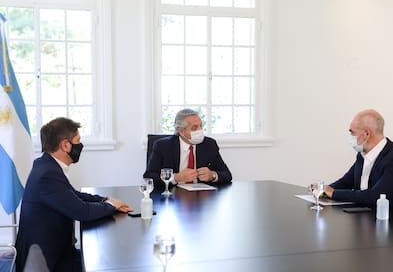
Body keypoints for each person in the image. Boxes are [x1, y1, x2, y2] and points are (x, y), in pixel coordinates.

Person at [15, 117, 133, 272]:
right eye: (77, 140)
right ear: (65, 145)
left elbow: (73, 194)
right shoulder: (47, 174)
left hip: (57, 250)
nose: (80, 145)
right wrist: (110, 206)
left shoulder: (46, 164)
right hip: (43, 261)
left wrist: (106, 199)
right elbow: (82, 211)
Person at [323, 109, 393, 209]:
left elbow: (375, 196)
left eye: (352, 133)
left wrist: (334, 193)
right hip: (364, 216)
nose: (350, 137)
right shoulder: (362, 154)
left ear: (366, 134)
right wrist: (324, 190)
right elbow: (346, 181)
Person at [143, 108, 232, 189]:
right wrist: (176, 177)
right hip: (173, 196)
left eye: (201, 126)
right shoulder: (163, 146)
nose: (200, 130)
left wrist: (212, 175)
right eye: (194, 128)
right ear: (181, 131)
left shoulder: (209, 145)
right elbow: (149, 177)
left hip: (201, 197)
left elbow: (227, 175)